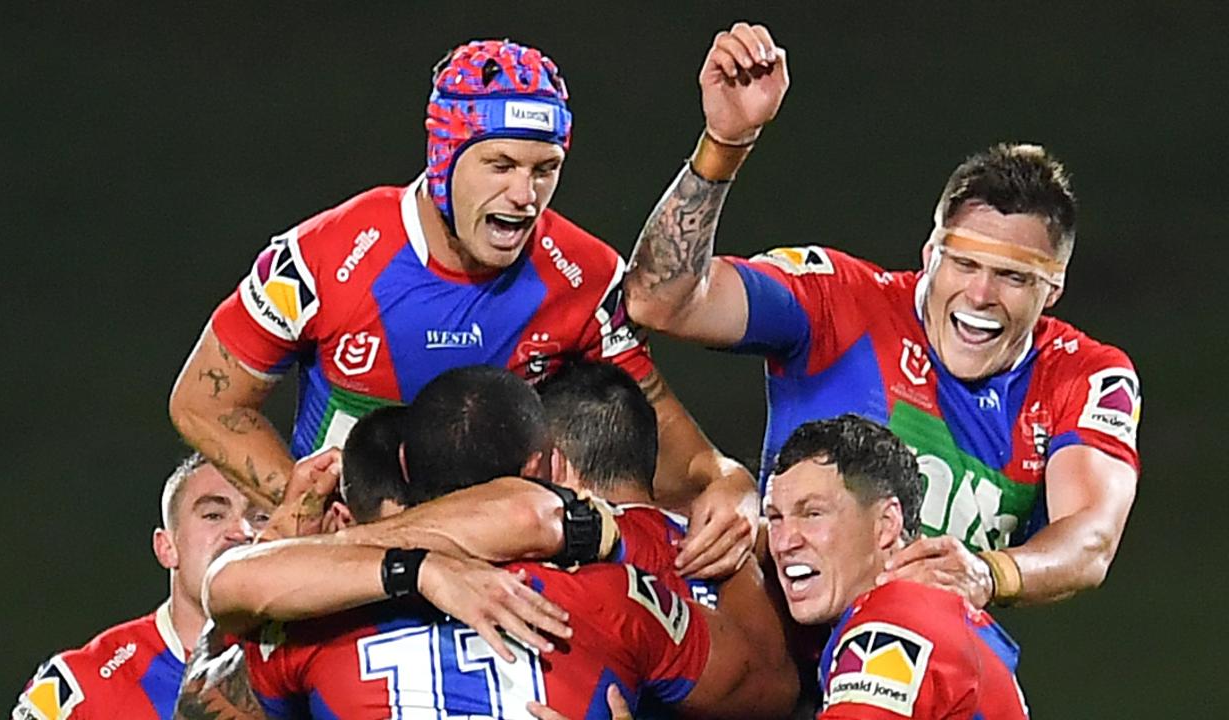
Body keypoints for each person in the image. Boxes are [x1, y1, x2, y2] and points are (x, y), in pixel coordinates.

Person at [168, 38, 757, 578]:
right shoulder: (324, 258)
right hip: (345, 572)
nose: (524, 197)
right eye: (499, 165)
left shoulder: (583, 275)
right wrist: (304, 499)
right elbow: (204, 401)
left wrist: (725, 481)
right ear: (444, 160)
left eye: (544, 169)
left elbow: (664, 433)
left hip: (500, 580)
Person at [622, 22, 1140, 610]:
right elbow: (658, 301)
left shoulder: (1084, 376)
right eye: (963, 264)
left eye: (1014, 278)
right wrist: (723, 144)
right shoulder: (840, 299)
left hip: (908, 671)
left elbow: (1092, 541)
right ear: (929, 257)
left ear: (1054, 289)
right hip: (766, 645)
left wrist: (987, 573)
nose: (980, 294)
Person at [180, 365, 797, 719]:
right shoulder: (615, 592)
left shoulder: (314, 612)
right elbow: (769, 688)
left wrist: (293, 535)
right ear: (553, 469)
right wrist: (734, 539)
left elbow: (202, 701)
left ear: (407, 472)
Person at [766, 415, 1027, 718]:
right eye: (775, 518)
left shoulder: (890, 626)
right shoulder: (928, 611)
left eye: (812, 514)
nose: (784, 542)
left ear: (887, 524)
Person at [10, 455, 267, 719]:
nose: (242, 531)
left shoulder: (306, 657)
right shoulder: (81, 687)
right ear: (167, 548)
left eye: (260, 516)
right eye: (214, 515)